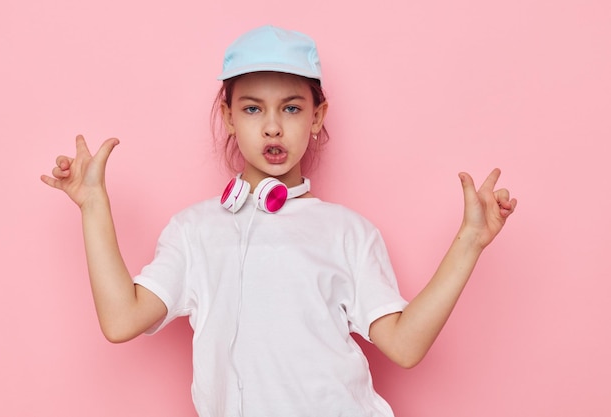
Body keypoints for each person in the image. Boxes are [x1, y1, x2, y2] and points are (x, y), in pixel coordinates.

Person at [41, 25, 516, 417]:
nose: (272, 126)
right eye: (252, 109)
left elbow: (405, 347)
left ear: (316, 116)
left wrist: (470, 241)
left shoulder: (348, 232)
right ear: (227, 116)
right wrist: (93, 205)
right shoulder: (194, 232)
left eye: (291, 108)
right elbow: (122, 319)